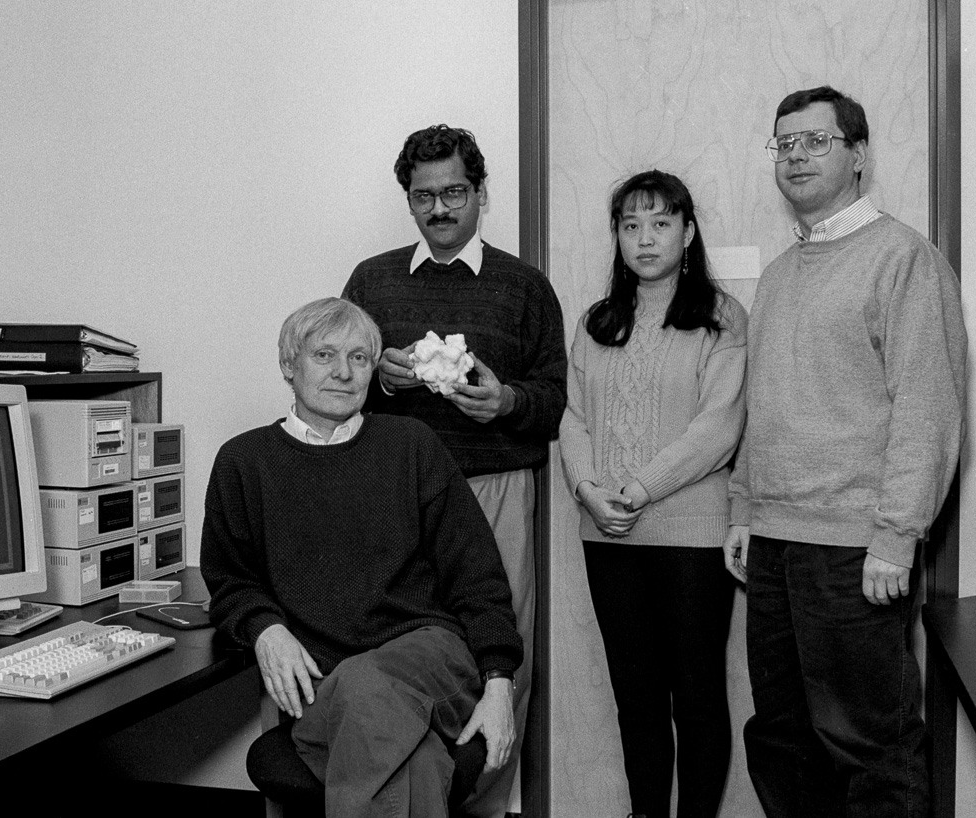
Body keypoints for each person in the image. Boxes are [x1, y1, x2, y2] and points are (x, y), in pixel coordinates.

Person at [723, 86, 966, 818]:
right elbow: (763, 405)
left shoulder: (904, 260)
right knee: (783, 738)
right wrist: (744, 506)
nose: (795, 155)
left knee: (871, 748)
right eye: (783, 142)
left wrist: (896, 537)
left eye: (815, 141)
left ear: (857, 156)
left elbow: (927, 406)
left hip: (856, 555)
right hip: (772, 545)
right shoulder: (777, 276)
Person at [200, 297, 523, 818]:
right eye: (324, 355)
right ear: (289, 365)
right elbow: (229, 578)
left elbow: (478, 578)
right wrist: (264, 628)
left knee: (362, 684)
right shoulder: (245, 461)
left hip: (430, 660)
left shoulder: (412, 445)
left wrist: (499, 684)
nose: (343, 372)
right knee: (406, 751)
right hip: (322, 687)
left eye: (358, 358)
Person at [343, 124, 566, 817]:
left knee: (499, 652)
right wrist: (379, 377)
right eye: (424, 197)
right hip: (393, 492)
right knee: (398, 647)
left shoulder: (524, 286)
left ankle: (484, 804)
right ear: (407, 199)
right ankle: (414, 795)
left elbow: (553, 401)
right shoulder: (371, 280)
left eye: (454, 194)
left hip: (495, 486)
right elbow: (334, 380)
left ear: (481, 194)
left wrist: (505, 401)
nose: (440, 210)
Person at [558, 170, 747, 818]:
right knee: (634, 696)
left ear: (688, 232)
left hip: (691, 535)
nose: (645, 238)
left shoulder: (720, 317)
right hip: (606, 535)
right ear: (617, 236)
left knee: (695, 695)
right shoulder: (596, 322)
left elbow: (719, 427)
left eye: (661, 223)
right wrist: (586, 488)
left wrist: (639, 487)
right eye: (631, 225)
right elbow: (573, 418)